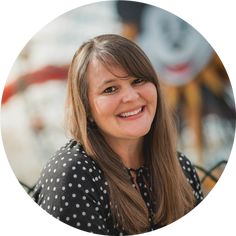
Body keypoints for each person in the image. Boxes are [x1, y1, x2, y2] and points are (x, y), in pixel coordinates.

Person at [32, 34, 203, 235]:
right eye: (110, 89)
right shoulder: (73, 176)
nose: (131, 96)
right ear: (86, 108)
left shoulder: (180, 168)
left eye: (138, 80)